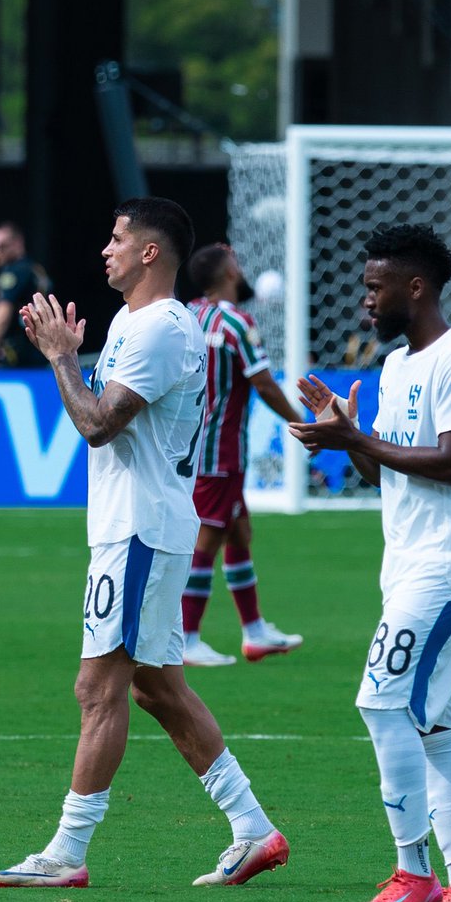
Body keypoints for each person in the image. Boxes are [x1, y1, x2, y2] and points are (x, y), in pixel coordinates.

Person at [0, 198, 289, 889]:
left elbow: (97, 425)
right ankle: (253, 830)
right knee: (156, 688)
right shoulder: (133, 321)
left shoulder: (159, 329)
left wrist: (62, 359)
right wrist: (68, 358)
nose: (106, 249)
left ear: (150, 252)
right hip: (136, 525)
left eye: (118, 238)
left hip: (141, 531)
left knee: (97, 688)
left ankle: (66, 853)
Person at [289, 223, 451, 902]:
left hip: (448, 564)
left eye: (375, 288)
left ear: (416, 287)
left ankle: (413, 872)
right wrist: (347, 433)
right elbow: (383, 471)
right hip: (409, 563)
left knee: (381, 702)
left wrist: (355, 436)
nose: (364, 302)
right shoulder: (398, 367)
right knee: (436, 724)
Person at [181, 243, 304, 667]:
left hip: (190, 444)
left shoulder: (189, 315)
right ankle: (186, 637)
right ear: (228, 272)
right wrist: (300, 422)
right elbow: (265, 384)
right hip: (221, 450)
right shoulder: (236, 322)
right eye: (235, 261)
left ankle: (254, 632)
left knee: (238, 532)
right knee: (207, 539)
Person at [0, 221, 51, 370]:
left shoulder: (15, 271)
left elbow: (3, 311)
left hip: (22, 356)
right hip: (42, 352)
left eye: (2, 246)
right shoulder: (35, 270)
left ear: (18, 243)